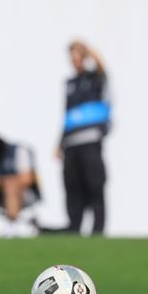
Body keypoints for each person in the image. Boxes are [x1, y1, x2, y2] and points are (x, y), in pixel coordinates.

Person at [59, 40, 109, 235]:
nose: (75, 60)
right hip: (71, 143)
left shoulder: (95, 79)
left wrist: (86, 49)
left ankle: (97, 230)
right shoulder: (70, 83)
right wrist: (59, 143)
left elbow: (102, 67)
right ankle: (74, 228)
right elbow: (67, 116)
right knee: (73, 186)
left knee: (95, 184)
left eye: (78, 55)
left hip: (90, 141)